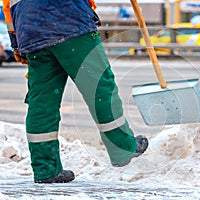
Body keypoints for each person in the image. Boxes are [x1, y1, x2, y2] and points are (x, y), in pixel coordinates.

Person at [2, 0, 148, 183]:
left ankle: (46, 169)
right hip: (68, 21)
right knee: (100, 88)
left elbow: (8, 6)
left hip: (31, 32)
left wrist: (17, 42)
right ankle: (123, 148)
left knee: (42, 101)